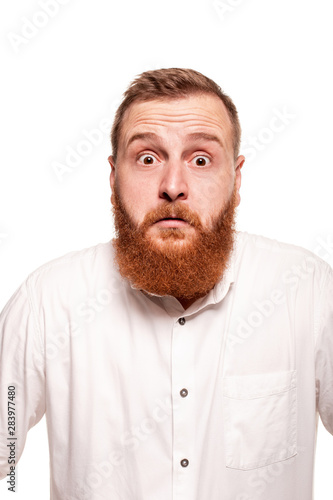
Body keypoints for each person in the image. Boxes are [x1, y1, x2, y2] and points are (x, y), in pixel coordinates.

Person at [0, 68, 332, 500]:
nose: (173, 187)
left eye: (200, 160)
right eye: (148, 158)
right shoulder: (48, 302)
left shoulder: (308, 292)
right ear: (113, 176)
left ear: (236, 179)